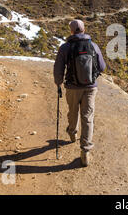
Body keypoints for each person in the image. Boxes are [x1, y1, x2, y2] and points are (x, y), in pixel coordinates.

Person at [53, 19, 106, 166]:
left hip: (72, 87)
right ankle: (85, 151)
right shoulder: (93, 46)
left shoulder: (65, 48)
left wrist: (58, 82)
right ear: (84, 29)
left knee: (73, 111)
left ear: (71, 31)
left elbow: (58, 69)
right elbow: (102, 67)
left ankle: (72, 132)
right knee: (87, 117)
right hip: (90, 87)